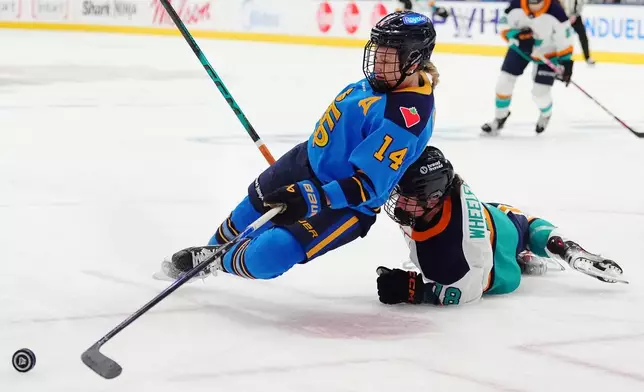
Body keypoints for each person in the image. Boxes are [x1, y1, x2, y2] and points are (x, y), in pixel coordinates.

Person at [155, 11, 440, 282]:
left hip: (344, 203)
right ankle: (211, 251)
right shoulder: (388, 80)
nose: (377, 62)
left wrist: (313, 197)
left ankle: (218, 261)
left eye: (387, 57)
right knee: (241, 218)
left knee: (271, 254)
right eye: (377, 52)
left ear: (413, 60)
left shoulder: (405, 117)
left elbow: (367, 185)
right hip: (302, 163)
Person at [376, 146, 626, 306]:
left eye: (405, 195)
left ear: (431, 197)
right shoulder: (435, 199)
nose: (398, 202)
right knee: (524, 223)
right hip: (494, 218)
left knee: (519, 232)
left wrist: (413, 289)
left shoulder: (464, 242)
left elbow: (465, 293)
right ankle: (556, 247)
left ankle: (523, 258)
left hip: (496, 259)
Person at [482, 0, 574, 135]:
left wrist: (566, 63)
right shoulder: (515, 5)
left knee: (540, 93)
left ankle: (546, 114)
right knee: (503, 83)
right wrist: (516, 35)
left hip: (547, 54)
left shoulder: (556, 12)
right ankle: (500, 117)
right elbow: (503, 25)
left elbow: (565, 40)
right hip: (520, 50)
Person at [561, 0, 595, 65]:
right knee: (561, 37)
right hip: (563, 15)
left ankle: (587, 57)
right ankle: (559, 57)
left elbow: (581, 3)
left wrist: (575, 14)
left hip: (576, 17)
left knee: (583, 37)